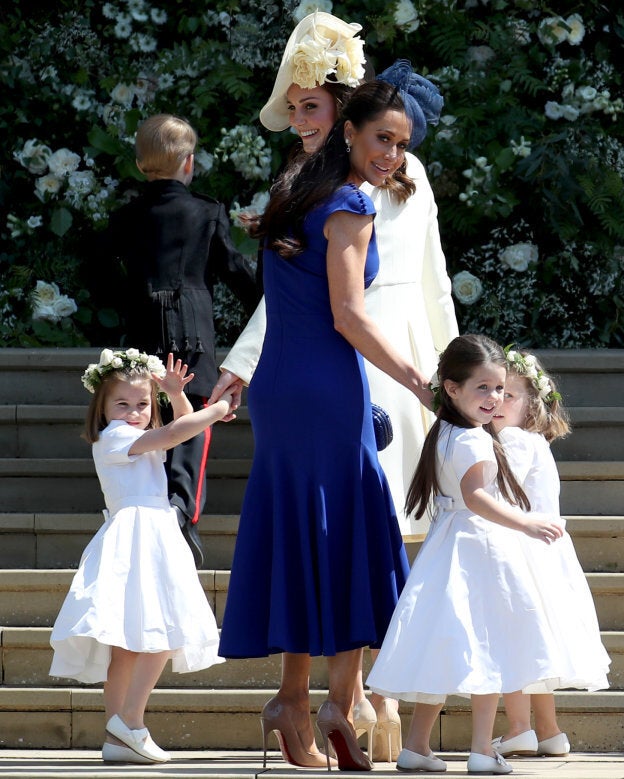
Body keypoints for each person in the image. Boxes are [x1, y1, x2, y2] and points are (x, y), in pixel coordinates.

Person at [210, 11, 458, 761]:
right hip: (331, 378)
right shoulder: (347, 202)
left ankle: (302, 701)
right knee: (351, 534)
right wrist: (424, 382)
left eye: (401, 142)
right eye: (382, 138)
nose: (393, 154)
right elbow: (349, 314)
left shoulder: (295, 186)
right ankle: (330, 706)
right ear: (351, 130)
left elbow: (304, 299)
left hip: (290, 383)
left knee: (307, 530)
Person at [366, 334, 571, 776]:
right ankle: (481, 749)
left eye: (500, 388)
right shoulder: (475, 439)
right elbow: (476, 496)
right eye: (484, 387)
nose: (495, 398)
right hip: (481, 546)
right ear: (452, 388)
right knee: (489, 646)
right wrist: (527, 522)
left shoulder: (444, 429)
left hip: (448, 546)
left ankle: (417, 745)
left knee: (443, 645)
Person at [49, 348, 239, 764]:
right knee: (163, 631)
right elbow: (175, 434)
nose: (134, 412)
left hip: (150, 533)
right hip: (140, 534)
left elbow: (180, 429)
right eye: (123, 403)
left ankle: (118, 738)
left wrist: (175, 395)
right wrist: (220, 406)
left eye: (142, 404)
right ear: (102, 407)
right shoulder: (115, 437)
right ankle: (130, 721)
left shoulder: (136, 437)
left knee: (130, 646)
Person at [103, 114, 260, 568]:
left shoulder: (127, 215)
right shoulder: (207, 211)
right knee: (192, 424)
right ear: (189, 163)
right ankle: (181, 511)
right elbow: (235, 272)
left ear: (139, 164)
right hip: (194, 332)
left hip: (144, 330)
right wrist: (270, 311)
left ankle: (152, 509)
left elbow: (95, 266)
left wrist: (129, 296)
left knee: (144, 417)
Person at [490, 348, 610, 758]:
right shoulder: (533, 441)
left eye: (511, 395)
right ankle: (549, 730)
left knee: (514, 642)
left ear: (531, 406)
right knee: (535, 646)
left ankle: (520, 727)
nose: (499, 402)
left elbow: (498, 493)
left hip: (522, 553)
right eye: (496, 392)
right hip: (544, 555)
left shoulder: (512, 440)